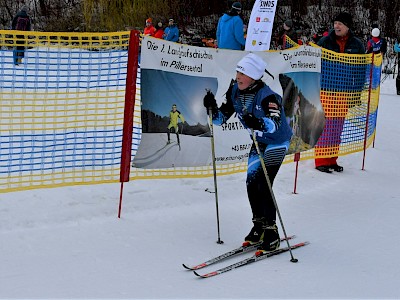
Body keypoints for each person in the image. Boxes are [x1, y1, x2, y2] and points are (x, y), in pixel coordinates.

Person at [203, 53, 292, 252]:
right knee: (252, 182)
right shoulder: (234, 91)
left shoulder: (268, 96)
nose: (238, 76)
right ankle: (259, 225)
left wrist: (258, 122)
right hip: (259, 141)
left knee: (263, 182)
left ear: (254, 76)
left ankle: (272, 230)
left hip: (277, 141)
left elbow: (274, 125)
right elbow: (219, 120)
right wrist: (211, 108)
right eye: (237, 71)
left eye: (243, 72)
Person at [314, 12, 365, 173]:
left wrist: (356, 93)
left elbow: (360, 70)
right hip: (326, 90)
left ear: (347, 26)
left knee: (338, 127)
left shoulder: (357, 45)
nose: (336, 26)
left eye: (340, 23)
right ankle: (321, 160)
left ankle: (332, 159)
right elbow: (315, 65)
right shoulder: (325, 42)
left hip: (344, 92)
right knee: (326, 126)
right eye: (335, 22)